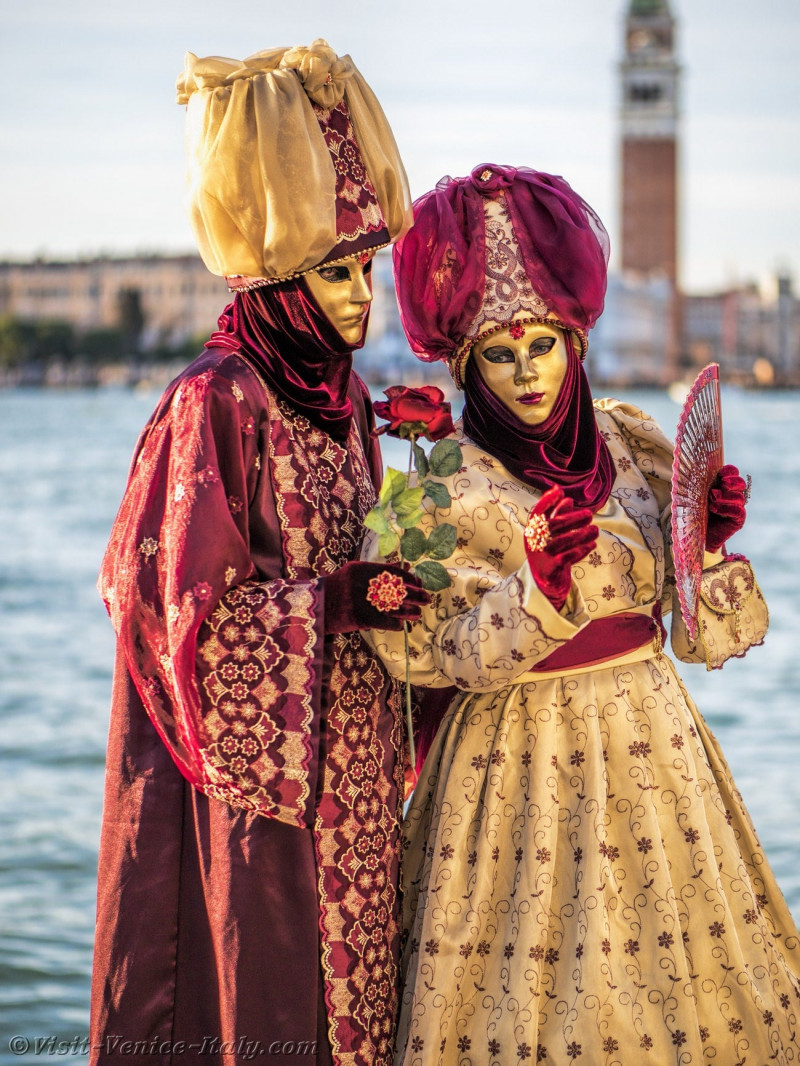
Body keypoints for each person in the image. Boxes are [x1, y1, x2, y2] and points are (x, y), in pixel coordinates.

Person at [363, 164, 800, 1064]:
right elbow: (423, 655)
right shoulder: (438, 486)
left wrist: (704, 552)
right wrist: (541, 595)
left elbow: (695, 636)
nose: (527, 372)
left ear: (575, 338)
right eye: (499, 352)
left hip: (660, 765)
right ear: (462, 362)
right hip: (509, 777)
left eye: (543, 345)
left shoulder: (632, 444)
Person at [90, 41, 428, 1066]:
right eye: (335, 270)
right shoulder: (214, 399)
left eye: (366, 265)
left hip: (356, 786)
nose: (361, 294)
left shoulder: (347, 406)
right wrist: (324, 607)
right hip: (256, 816)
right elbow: (164, 615)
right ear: (277, 273)